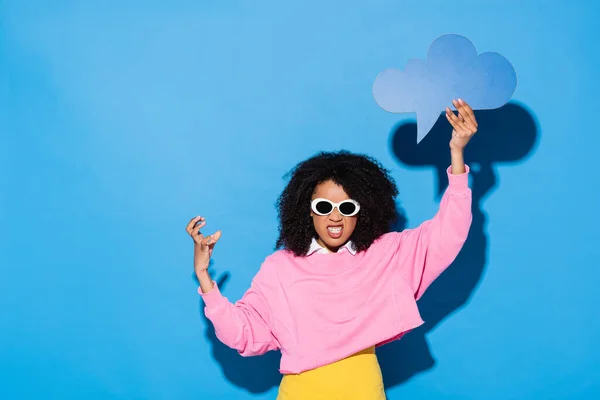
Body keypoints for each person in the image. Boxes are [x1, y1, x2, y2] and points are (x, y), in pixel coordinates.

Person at [186, 99, 478, 399]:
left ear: (360, 212)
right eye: (324, 206)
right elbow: (242, 334)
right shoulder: (280, 269)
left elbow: (448, 233)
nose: (335, 216)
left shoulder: (385, 255)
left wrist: (457, 154)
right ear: (307, 211)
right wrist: (204, 277)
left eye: (346, 207)